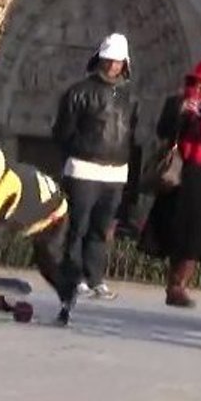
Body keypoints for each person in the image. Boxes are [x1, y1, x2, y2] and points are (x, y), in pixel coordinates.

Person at [139, 60, 201, 308]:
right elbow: (163, 131)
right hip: (179, 175)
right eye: (199, 83)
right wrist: (181, 113)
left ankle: (178, 286)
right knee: (175, 233)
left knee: (196, 237)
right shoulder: (176, 103)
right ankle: (173, 284)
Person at [52, 33, 138, 300]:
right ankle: (74, 277)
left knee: (101, 228)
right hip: (84, 168)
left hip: (115, 171)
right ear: (99, 59)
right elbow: (62, 131)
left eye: (118, 61)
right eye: (109, 60)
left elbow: (131, 134)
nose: (113, 65)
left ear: (125, 64)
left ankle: (96, 278)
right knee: (78, 226)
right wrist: (77, 151)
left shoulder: (129, 98)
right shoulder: (78, 92)